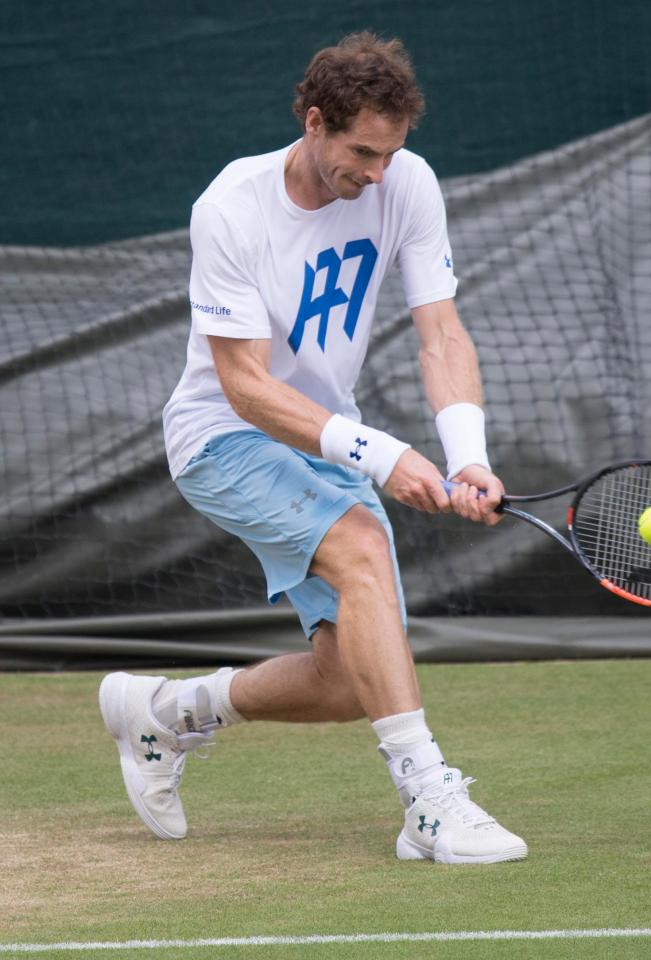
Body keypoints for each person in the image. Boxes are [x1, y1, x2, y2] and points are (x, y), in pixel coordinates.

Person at [99, 32, 527, 865]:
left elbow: (441, 334)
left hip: (327, 437)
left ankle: (167, 713)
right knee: (362, 547)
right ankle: (429, 803)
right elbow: (246, 388)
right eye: (361, 152)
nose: (375, 173)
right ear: (314, 121)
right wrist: (380, 455)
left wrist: (464, 454)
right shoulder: (231, 207)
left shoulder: (407, 183)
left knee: (347, 682)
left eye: (390, 154)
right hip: (223, 438)